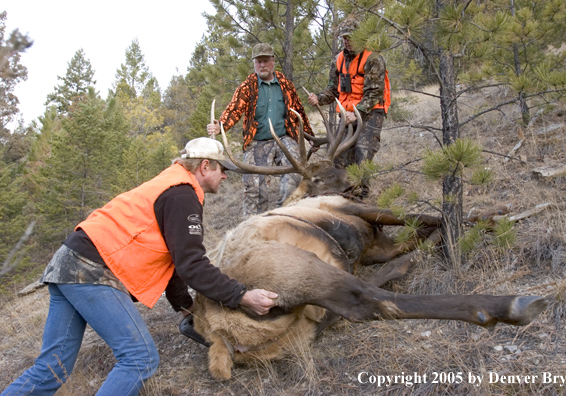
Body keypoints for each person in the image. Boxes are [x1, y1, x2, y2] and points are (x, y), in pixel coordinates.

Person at [1, 137, 278, 396]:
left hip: (68, 261)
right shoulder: (182, 195)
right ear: (205, 166)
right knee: (140, 358)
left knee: (53, 367)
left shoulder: (169, 186)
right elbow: (191, 264)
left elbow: (172, 259)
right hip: (92, 269)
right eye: (222, 169)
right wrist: (242, 295)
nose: (226, 175)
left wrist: (185, 305)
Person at [207, 43, 314, 218]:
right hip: (257, 141)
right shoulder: (247, 86)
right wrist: (221, 126)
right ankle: (253, 226)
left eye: (265, 61)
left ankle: (288, 217)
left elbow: (299, 112)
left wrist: (311, 136)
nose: (262, 65)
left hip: (284, 137)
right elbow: (235, 108)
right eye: (258, 62)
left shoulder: (286, 85)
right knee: (254, 188)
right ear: (254, 63)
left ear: (272, 62)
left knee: (296, 175)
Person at [307, 16, 391, 198]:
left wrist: (357, 113)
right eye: (344, 37)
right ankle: (343, 197)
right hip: (347, 115)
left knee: (362, 155)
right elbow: (333, 90)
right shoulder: (338, 60)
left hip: (370, 112)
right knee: (339, 158)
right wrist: (319, 99)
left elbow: (375, 92)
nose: (347, 41)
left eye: (351, 37)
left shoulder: (373, 59)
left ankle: (361, 200)